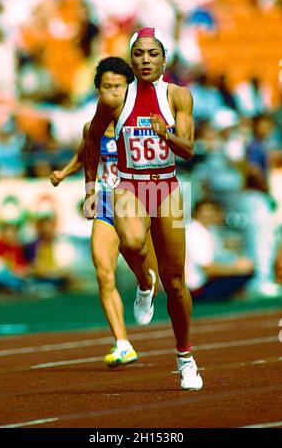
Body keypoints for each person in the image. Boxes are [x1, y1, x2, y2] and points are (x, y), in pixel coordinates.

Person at [84, 27, 203, 391]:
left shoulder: (178, 96)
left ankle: (185, 357)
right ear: (131, 59)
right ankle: (143, 281)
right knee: (133, 243)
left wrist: (164, 133)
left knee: (178, 281)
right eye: (138, 54)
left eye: (153, 54)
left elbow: (188, 150)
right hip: (129, 185)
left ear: (164, 59)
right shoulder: (116, 99)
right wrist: (90, 186)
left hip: (167, 187)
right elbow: (91, 137)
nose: (146, 60)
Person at [51, 57, 158, 367]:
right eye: (106, 87)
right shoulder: (93, 125)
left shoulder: (142, 120)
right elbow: (88, 150)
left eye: (118, 86)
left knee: (133, 247)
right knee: (103, 271)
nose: (112, 92)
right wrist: (66, 174)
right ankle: (122, 343)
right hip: (107, 200)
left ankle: (144, 281)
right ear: (98, 90)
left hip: (137, 200)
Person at [186, 199, 254, 301]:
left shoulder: (208, 231)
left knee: (245, 266)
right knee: (246, 272)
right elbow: (208, 269)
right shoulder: (195, 233)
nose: (209, 216)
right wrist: (237, 269)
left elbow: (222, 256)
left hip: (200, 283)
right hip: (196, 289)